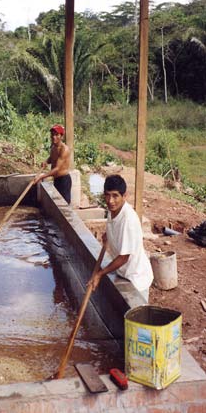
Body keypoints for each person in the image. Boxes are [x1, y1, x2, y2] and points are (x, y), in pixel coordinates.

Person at [88, 174, 153, 302]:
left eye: (115, 195)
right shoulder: (113, 211)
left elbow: (124, 257)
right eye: (107, 195)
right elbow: (114, 229)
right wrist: (109, 237)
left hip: (136, 277)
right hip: (123, 273)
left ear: (124, 196)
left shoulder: (128, 219)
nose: (110, 201)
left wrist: (100, 274)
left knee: (135, 318)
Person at [34, 124, 72, 204]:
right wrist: (46, 161)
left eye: (56, 135)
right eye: (52, 135)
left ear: (61, 136)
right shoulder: (53, 147)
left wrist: (41, 176)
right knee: (58, 204)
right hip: (57, 179)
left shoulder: (64, 149)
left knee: (65, 205)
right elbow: (52, 158)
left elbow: (57, 169)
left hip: (64, 180)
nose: (54, 137)